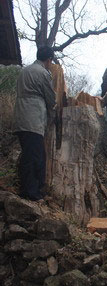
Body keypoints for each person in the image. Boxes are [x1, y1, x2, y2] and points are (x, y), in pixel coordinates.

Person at [13, 46, 56, 201]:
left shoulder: (24, 71)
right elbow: (50, 98)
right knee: (34, 157)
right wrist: (53, 115)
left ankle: (31, 189)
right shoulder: (43, 73)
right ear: (49, 59)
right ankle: (31, 192)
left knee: (29, 154)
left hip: (20, 117)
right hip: (33, 119)